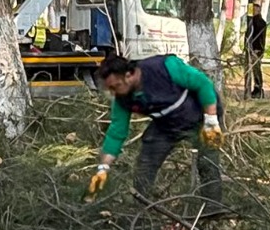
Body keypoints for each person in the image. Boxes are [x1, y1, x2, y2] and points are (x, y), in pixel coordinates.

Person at [88, 53, 225, 206]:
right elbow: (116, 133)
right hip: (166, 124)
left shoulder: (164, 67)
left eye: (115, 86)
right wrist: (103, 169)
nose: (114, 92)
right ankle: (141, 210)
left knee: (207, 162)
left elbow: (203, 83)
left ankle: (212, 209)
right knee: (145, 164)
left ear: (129, 75)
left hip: (201, 115)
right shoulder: (123, 99)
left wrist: (211, 121)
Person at [245, 2, 268, 98]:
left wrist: (257, 49)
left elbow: (259, 38)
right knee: (251, 69)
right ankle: (253, 88)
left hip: (257, 49)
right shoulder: (252, 21)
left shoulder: (260, 22)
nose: (253, 11)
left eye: (255, 10)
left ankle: (258, 88)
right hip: (251, 48)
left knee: (256, 69)